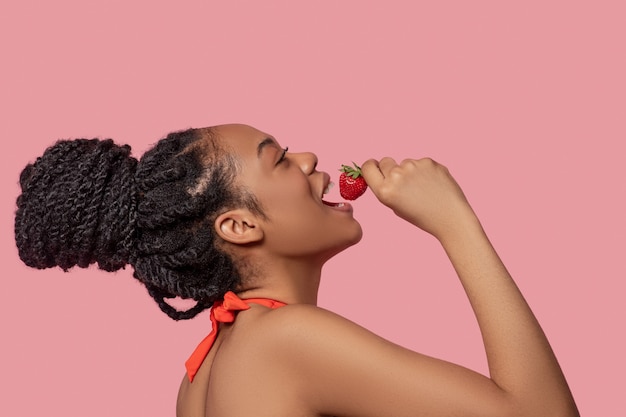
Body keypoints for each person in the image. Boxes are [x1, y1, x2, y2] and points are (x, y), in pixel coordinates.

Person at [15, 124, 579, 417]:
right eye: (279, 159)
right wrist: (456, 223)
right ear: (238, 226)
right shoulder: (285, 340)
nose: (309, 160)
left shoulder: (200, 376)